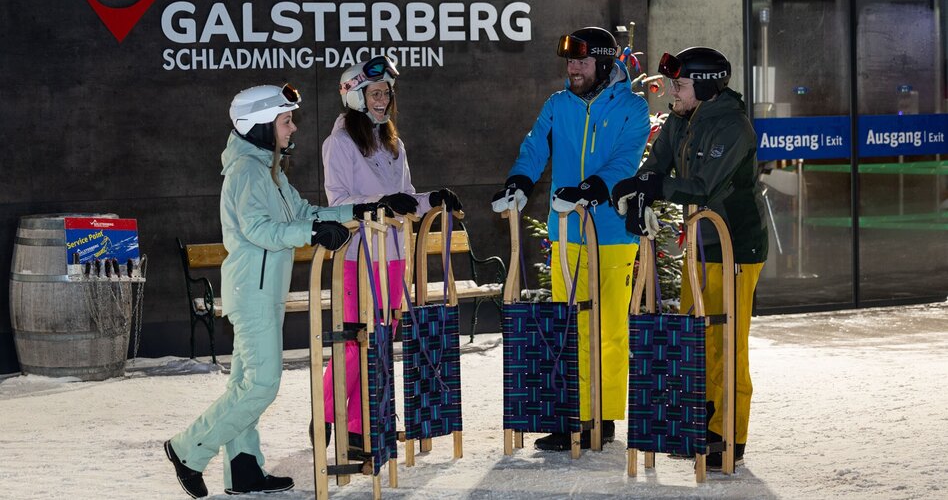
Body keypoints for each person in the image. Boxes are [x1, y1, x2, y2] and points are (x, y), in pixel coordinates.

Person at [164, 83, 379, 498]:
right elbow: (259, 230)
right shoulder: (247, 172)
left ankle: (243, 469)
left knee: (246, 384)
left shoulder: (268, 172)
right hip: (253, 293)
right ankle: (187, 448)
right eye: (285, 120)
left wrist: (360, 210)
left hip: (262, 292)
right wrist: (313, 231)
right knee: (263, 385)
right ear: (261, 124)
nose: (293, 127)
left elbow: (306, 212)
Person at [491, 27, 650, 451]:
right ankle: (573, 415)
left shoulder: (633, 108)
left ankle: (604, 415)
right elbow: (534, 146)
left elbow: (626, 159)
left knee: (610, 328)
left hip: (613, 233)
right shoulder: (557, 104)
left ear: (603, 63)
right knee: (569, 325)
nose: (572, 69)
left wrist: (593, 187)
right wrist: (520, 181)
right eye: (569, 62)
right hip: (566, 232)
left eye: (581, 62)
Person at [610, 47, 768, 471]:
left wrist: (655, 186)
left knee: (727, 345)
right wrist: (636, 186)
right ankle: (704, 423)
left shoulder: (732, 127)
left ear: (704, 85)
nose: (671, 93)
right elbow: (657, 166)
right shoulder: (682, 122)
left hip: (736, 246)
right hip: (700, 245)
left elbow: (700, 186)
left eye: (679, 85)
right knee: (698, 341)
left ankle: (729, 437)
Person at [318, 55, 462, 455]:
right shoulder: (339, 144)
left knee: (380, 341)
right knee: (355, 342)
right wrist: (385, 200)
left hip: (394, 256)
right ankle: (330, 413)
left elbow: (407, 199)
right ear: (356, 97)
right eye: (375, 93)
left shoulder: (394, 143)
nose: (383, 100)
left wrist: (432, 198)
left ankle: (363, 426)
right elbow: (338, 203)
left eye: (386, 93)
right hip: (359, 256)